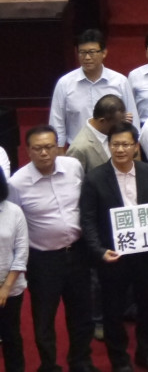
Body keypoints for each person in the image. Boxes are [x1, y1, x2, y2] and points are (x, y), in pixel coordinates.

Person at [78, 122, 148, 372]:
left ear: (136, 146)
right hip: (112, 255)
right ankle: (120, 360)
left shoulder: (147, 171)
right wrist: (99, 251)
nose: (121, 149)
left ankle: (146, 352)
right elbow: (88, 219)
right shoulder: (95, 178)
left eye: (126, 144)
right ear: (109, 145)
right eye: (115, 144)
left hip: (145, 253)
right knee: (113, 312)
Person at [8, 125, 95, 372]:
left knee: (82, 312)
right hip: (43, 260)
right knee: (44, 318)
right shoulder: (17, 183)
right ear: (28, 150)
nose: (44, 153)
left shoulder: (73, 167)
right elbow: (15, 224)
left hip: (78, 252)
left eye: (49, 147)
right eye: (38, 148)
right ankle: (49, 365)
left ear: (58, 147)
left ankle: (81, 361)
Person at [50, 28, 137, 147]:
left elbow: (133, 118)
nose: (87, 58)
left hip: (114, 147)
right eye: (82, 52)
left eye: (92, 52)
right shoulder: (64, 83)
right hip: (78, 149)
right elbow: (57, 121)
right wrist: (59, 151)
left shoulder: (120, 81)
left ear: (104, 52)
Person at [0, 167, 27, 372]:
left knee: (11, 336)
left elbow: (22, 252)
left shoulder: (13, 211)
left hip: (10, 288)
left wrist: (5, 288)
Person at [66, 93, 126, 172]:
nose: (121, 127)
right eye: (117, 124)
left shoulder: (113, 133)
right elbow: (75, 181)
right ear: (102, 121)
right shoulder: (79, 148)